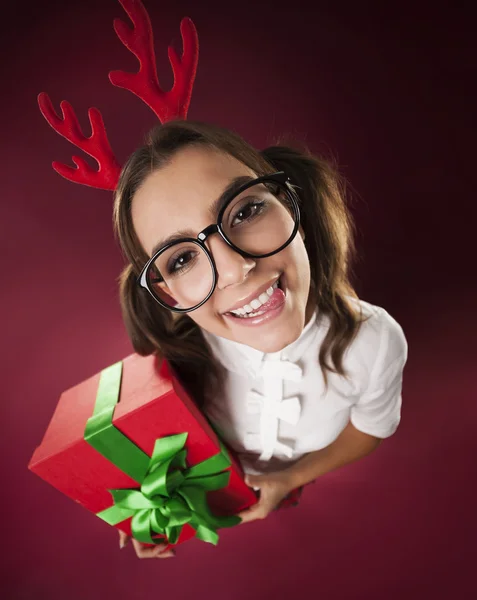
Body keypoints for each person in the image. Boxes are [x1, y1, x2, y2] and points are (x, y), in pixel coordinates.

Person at [113, 120, 408, 559]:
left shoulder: (374, 341)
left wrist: (291, 478)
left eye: (245, 211)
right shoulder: (175, 354)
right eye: (182, 259)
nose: (234, 269)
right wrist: (157, 506)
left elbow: (370, 428)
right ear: (169, 293)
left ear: (293, 208)